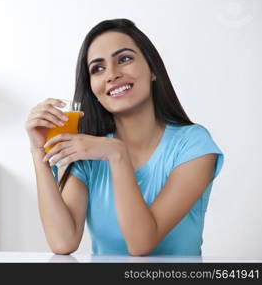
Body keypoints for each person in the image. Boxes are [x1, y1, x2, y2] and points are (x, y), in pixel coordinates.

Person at [25, 18, 224, 256]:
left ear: (152, 69)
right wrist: (39, 154)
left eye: (124, 59)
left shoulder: (193, 145)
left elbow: (141, 244)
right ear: (93, 88)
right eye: (98, 69)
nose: (111, 74)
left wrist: (116, 154)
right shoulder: (88, 153)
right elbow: (63, 242)